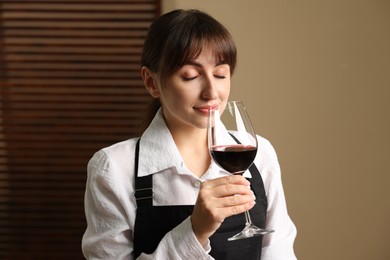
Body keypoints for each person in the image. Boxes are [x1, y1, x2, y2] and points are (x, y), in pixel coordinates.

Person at [82, 9, 297, 260]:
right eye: (191, 76)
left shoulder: (260, 153)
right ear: (152, 82)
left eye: (220, 74)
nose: (211, 92)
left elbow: (279, 251)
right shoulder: (113, 168)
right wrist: (194, 231)